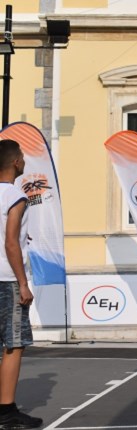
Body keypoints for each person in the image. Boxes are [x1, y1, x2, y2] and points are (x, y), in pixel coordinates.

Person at [0, 139, 42, 428]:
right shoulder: (15, 196)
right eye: (23, 157)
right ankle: (6, 410)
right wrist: (23, 282)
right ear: (16, 162)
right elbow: (11, 242)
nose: (25, 161)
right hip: (6, 278)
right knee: (14, 344)